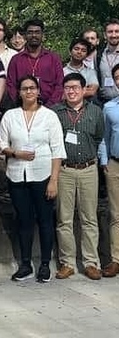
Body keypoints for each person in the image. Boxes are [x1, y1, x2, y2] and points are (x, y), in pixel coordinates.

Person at [0, 75, 66, 282]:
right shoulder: (10, 115)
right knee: (24, 220)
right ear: (19, 92)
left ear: (38, 91)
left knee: (45, 220)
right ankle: (25, 264)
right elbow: (1, 144)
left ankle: (45, 264)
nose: (29, 92)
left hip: (42, 174)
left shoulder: (49, 116)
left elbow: (57, 150)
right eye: (25, 88)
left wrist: (53, 180)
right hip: (17, 175)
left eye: (32, 88)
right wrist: (16, 153)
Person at [53, 73, 104, 280]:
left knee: (89, 218)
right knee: (64, 218)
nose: (71, 91)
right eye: (67, 88)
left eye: (75, 87)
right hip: (65, 169)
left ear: (84, 90)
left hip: (88, 169)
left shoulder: (96, 111)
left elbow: (99, 136)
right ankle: (68, 262)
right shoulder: (56, 112)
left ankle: (91, 262)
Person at [7, 20, 64, 107]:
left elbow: (60, 85)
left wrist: (49, 106)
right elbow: (11, 85)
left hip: (50, 109)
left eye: (37, 32)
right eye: (30, 32)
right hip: (23, 108)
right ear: (25, 36)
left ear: (42, 35)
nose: (34, 35)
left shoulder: (53, 58)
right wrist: (21, 105)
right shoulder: (16, 60)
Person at [100, 64, 119, 277]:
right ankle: (116, 259)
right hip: (115, 164)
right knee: (116, 215)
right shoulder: (110, 107)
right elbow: (104, 137)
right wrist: (105, 161)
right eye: (117, 77)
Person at [97, 19, 119, 103]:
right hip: (104, 102)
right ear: (105, 35)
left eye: (117, 31)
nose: (114, 35)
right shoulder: (99, 55)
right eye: (110, 32)